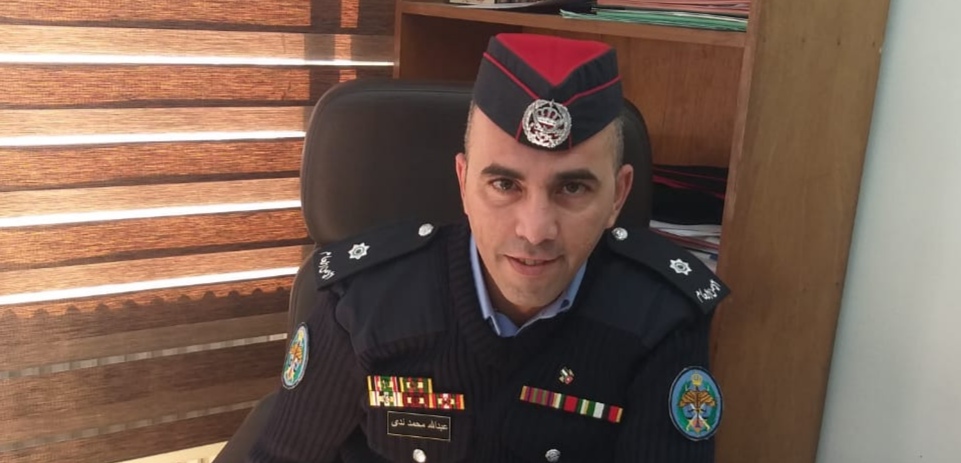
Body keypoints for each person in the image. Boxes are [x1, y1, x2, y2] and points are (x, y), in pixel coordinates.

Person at [245, 32, 730, 463]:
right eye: (504, 184)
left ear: (618, 197)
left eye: (572, 188)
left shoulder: (659, 320)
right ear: (463, 183)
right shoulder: (364, 306)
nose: (535, 231)